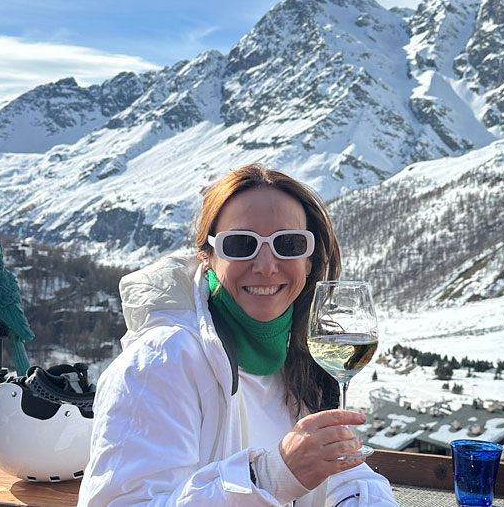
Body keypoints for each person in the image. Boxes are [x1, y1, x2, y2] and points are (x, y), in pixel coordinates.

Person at [78, 165, 398, 507]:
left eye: (288, 244)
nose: (265, 265)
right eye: (241, 244)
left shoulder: (300, 357)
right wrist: (269, 477)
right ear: (208, 257)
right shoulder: (160, 363)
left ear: (309, 260)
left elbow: (340, 474)